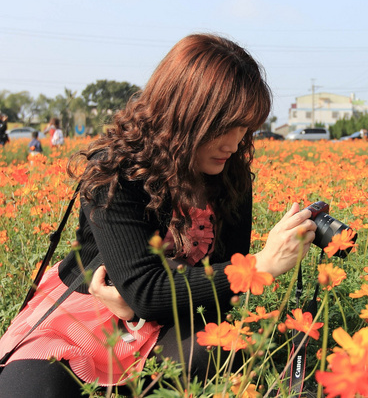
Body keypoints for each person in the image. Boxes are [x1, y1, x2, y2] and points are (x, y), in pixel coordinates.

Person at [0, 33, 318, 397]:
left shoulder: (231, 176)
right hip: (87, 310)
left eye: (244, 129)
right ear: (184, 115)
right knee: (27, 389)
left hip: (176, 317)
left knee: (211, 351)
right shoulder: (115, 170)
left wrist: (144, 305)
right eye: (223, 128)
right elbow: (147, 289)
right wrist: (258, 266)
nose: (233, 144)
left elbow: (219, 294)